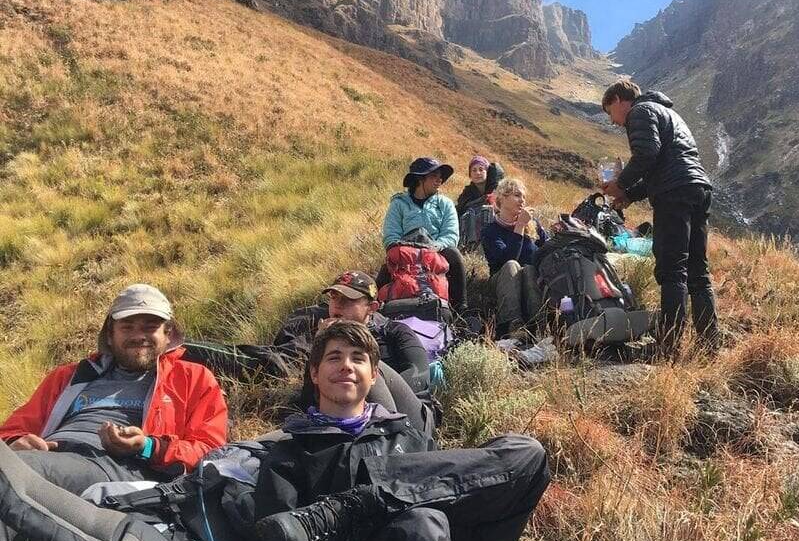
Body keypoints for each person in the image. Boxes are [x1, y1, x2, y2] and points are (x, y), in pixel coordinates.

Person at [253, 321, 549, 541]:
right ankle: (361, 507)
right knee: (419, 523)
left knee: (528, 452)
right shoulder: (290, 453)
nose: (346, 366)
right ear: (314, 373)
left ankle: (353, 505)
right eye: (334, 357)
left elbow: (454, 498)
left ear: (374, 375)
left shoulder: (409, 437)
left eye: (357, 358)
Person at [0, 283, 228, 541]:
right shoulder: (70, 375)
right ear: (110, 334)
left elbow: (211, 451)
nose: (138, 336)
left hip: (119, 463)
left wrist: (147, 446)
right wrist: (17, 441)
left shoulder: (193, 378)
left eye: (150, 326)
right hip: (48, 455)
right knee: (13, 466)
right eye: (127, 326)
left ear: (168, 333)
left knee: (11, 473)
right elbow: (13, 428)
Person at [182, 271, 435, 432]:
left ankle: (390, 440)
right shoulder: (322, 333)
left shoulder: (395, 332)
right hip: (343, 419)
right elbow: (308, 399)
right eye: (334, 299)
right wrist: (321, 344)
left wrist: (362, 378)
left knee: (363, 368)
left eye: (347, 301)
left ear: (372, 307)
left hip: (409, 418)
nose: (337, 306)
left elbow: (420, 373)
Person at [600, 79, 720, 354]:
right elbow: (663, 164)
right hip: (697, 189)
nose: (614, 122)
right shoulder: (668, 113)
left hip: (674, 195)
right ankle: (709, 346)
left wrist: (620, 184)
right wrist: (631, 195)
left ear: (619, 100)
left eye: (610, 112)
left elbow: (647, 154)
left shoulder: (640, 113)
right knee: (697, 271)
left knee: (671, 268)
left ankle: (669, 345)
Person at [381, 157, 468, 310]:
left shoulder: (445, 204)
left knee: (454, 256)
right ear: (420, 179)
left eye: (440, 177)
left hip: (438, 252)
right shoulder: (399, 204)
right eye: (434, 176)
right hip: (405, 255)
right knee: (384, 271)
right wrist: (409, 250)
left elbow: (451, 235)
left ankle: (461, 310)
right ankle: (373, 309)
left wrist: (434, 247)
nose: (439, 180)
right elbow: (391, 236)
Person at [480, 178, 547, 337]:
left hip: (529, 283)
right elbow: (505, 260)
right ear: (502, 198)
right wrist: (519, 227)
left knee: (529, 269)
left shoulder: (533, 225)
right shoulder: (490, 231)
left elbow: (547, 249)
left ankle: (539, 326)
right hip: (501, 284)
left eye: (523, 196)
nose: (522, 200)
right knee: (511, 265)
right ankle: (512, 325)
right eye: (517, 195)